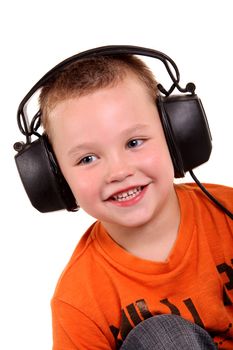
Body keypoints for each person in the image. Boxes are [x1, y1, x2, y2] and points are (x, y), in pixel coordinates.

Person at [37, 53, 233, 349]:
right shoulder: (78, 297)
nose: (118, 172)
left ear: (176, 135)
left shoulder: (227, 212)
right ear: (57, 181)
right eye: (87, 158)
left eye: (134, 142)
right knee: (164, 338)